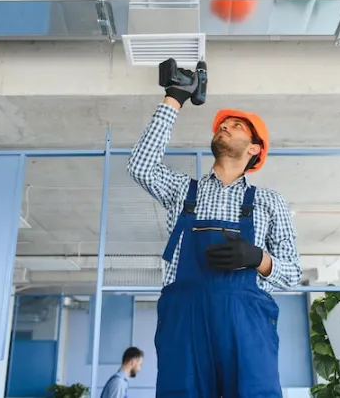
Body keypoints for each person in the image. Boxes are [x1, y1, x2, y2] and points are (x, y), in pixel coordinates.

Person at [127, 72, 302, 398]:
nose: (225, 127)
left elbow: (292, 274)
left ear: (254, 148)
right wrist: (174, 99)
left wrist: (259, 258)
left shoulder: (269, 201)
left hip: (246, 323)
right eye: (223, 124)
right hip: (185, 320)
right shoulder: (183, 190)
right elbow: (140, 167)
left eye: (237, 126)